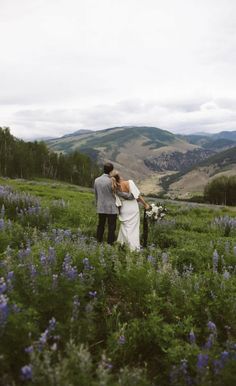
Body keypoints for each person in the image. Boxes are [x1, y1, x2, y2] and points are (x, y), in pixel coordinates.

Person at [94, 162, 134, 245]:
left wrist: (98, 204)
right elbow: (119, 193)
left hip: (101, 207)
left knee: (100, 225)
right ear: (111, 171)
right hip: (111, 208)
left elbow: (96, 194)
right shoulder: (111, 181)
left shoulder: (97, 180)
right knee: (111, 227)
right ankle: (110, 244)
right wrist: (131, 196)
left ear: (103, 169)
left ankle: (98, 242)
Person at [110, 170, 150, 251]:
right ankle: (133, 248)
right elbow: (137, 196)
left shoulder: (114, 188)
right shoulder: (129, 182)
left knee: (125, 227)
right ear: (120, 177)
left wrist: (119, 211)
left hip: (124, 208)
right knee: (134, 228)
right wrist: (145, 204)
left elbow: (118, 202)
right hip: (132, 208)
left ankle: (122, 244)